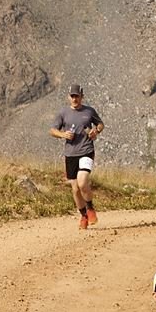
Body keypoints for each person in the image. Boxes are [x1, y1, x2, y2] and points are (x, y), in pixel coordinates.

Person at [50, 83, 105, 229]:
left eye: (77, 96)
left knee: (82, 182)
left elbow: (100, 124)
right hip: (70, 154)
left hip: (86, 151)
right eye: (72, 96)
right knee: (75, 189)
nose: (75, 99)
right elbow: (52, 130)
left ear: (82, 97)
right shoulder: (63, 113)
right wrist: (63, 134)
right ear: (69, 97)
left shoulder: (89, 111)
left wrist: (96, 131)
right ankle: (83, 216)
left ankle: (91, 208)